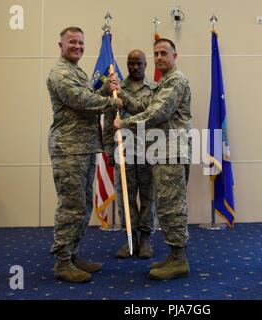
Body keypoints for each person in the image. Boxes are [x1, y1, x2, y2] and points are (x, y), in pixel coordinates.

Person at [46, 26, 122, 283]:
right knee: (71, 206)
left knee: (83, 205)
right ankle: (62, 262)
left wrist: (105, 90)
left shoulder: (76, 70)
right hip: (69, 150)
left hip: (85, 147)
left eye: (80, 43)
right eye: (72, 43)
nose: (77, 47)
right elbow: (80, 100)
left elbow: (89, 96)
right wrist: (112, 101)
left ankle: (73, 254)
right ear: (61, 45)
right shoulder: (60, 73)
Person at [112, 38, 192, 280]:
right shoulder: (163, 83)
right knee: (167, 207)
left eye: (163, 53)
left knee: (172, 207)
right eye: (156, 54)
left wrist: (123, 123)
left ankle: (179, 260)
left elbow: (158, 113)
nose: (159, 58)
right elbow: (142, 105)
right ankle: (174, 255)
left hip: (171, 152)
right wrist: (121, 94)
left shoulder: (176, 81)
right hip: (161, 151)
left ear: (174, 56)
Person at [102, 49, 157, 259]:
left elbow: (149, 114)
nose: (135, 67)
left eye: (139, 63)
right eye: (131, 63)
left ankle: (145, 239)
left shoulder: (153, 88)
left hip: (147, 151)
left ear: (145, 64)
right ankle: (129, 238)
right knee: (126, 197)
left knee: (148, 197)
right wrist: (108, 150)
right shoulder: (115, 89)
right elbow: (109, 122)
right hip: (122, 152)